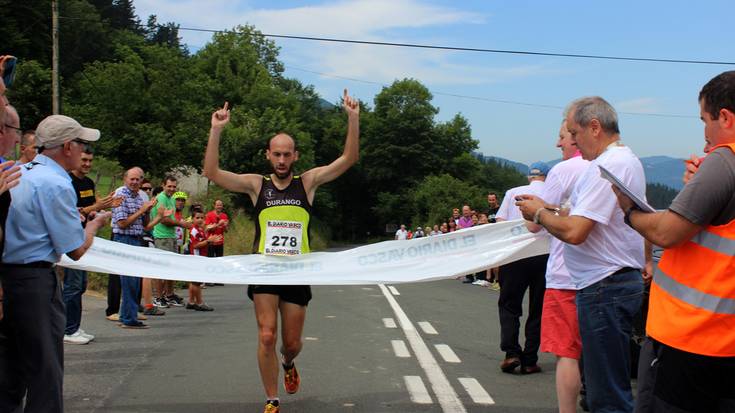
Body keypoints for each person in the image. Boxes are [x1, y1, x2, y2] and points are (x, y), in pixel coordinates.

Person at [203, 89, 359, 413]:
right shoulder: (257, 185)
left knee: (290, 343)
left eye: (287, 154)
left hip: (297, 271)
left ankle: (288, 363)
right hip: (265, 269)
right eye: (277, 155)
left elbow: (348, 160)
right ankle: (272, 399)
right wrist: (216, 130)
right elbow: (212, 173)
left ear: (296, 156)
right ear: (268, 155)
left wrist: (353, 119)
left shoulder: (309, 182)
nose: (282, 160)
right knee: (266, 335)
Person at [614, 71, 735, 413]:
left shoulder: (725, 160)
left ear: (724, 116)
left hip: (690, 336)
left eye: (705, 121)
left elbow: (667, 232)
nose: (705, 135)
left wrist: (629, 211)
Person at [516, 97, 646, 413]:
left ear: (595, 127)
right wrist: (551, 209)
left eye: (574, 132)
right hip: (606, 283)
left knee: (607, 395)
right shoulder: (616, 162)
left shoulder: (609, 165)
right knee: (604, 387)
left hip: (605, 285)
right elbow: (580, 214)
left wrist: (538, 214)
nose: (572, 141)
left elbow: (575, 232)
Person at [1, 114, 109, 413]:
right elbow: (74, 249)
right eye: (81, 144)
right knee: (45, 371)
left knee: (10, 371)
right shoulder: (57, 183)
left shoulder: (20, 171)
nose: (84, 152)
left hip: (7, 278)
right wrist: (94, 225)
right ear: (66, 147)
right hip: (35, 282)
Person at [526, 121, 589, 412]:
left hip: (567, 274)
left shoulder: (563, 171)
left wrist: (536, 208)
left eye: (562, 136)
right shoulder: (614, 164)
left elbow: (532, 226)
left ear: (577, 137)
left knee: (568, 353)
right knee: (599, 353)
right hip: (607, 275)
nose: (558, 144)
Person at [495, 161, 550, 374]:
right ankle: (530, 359)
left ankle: (511, 353)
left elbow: (500, 221)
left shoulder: (512, 192)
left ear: (529, 177)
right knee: (537, 308)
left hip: (515, 254)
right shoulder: (554, 192)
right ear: (547, 177)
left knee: (509, 305)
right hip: (544, 255)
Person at [64, 147, 121, 344]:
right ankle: (68, 329)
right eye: (84, 160)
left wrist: (100, 212)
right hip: (71, 238)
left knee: (80, 285)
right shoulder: (67, 181)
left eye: (90, 161)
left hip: (86, 237)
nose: (87, 164)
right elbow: (70, 211)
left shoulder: (88, 182)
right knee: (72, 285)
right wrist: (96, 207)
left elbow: (89, 210)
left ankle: (75, 326)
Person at [111, 167, 157, 329]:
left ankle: (126, 316)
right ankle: (129, 319)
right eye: (132, 179)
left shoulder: (140, 198)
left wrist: (147, 211)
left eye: (138, 179)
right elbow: (122, 223)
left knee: (135, 280)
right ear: (125, 179)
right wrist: (142, 210)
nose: (135, 182)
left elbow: (145, 225)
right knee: (129, 281)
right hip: (123, 240)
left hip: (137, 240)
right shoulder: (120, 196)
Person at [151, 176, 190, 307]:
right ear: (163, 185)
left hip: (171, 236)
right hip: (162, 237)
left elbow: (171, 217)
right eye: (169, 186)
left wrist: (180, 223)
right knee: (160, 268)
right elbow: (164, 220)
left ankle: (169, 294)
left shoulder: (171, 199)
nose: (172, 189)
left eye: (174, 186)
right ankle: (158, 297)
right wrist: (181, 224)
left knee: (171, 268)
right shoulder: (161, 198)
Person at [187, 209, 221, 311]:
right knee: (197, 282)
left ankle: (191, 301)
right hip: (197, 258)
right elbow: (196, 245)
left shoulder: (201, 229)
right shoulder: (194, 230)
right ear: (192, 219)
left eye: (202, 217)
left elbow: (204, 241)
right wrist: (208, 241)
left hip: (201, 257)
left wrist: (210, 240)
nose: (200, 220)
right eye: (197, 218)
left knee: (194, 281)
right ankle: (199, 303)